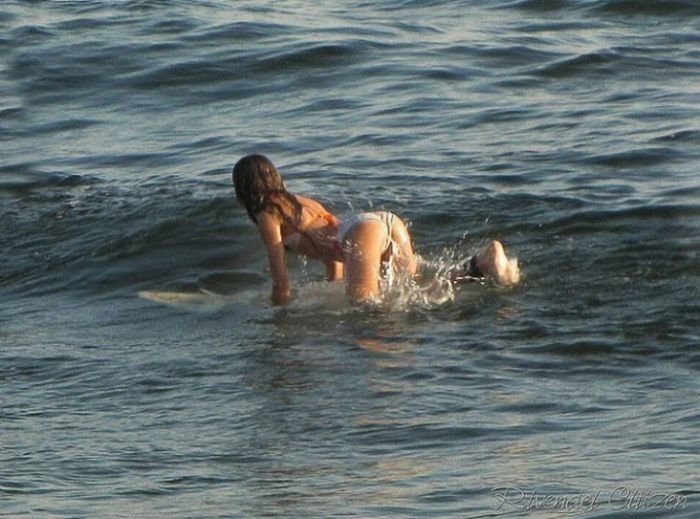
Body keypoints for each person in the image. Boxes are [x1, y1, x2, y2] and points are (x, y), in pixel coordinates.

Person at [232, 154, 519, 305]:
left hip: (361, 233)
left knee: (367, 310)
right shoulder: (296, 202)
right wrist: (335, 286)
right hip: (380, 221)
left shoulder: (267, 215)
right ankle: (482, 262)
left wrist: (278, 316)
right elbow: (332, 254)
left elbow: (281, 279)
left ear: (243, 188)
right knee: (415, 287)